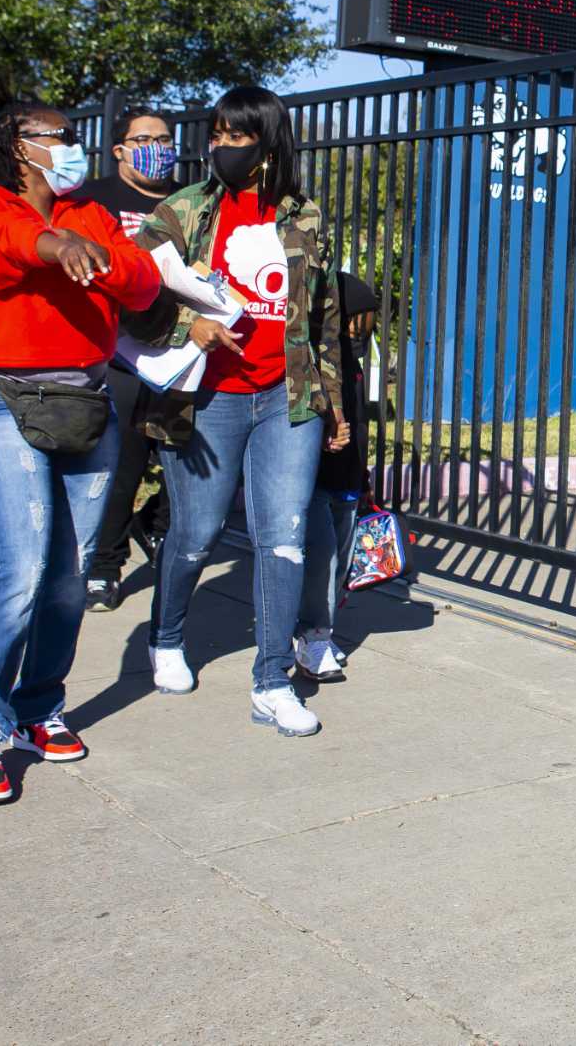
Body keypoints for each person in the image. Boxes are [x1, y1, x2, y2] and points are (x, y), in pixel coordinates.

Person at [0, 103, 158, 805]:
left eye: (72, 135)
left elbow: (141, 277)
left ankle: (36, 707)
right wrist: (55, 246)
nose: (72, 145)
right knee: (22, 569)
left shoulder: (89, 210)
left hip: (84, 400)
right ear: (17, 145)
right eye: (57, 136)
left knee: (68, 577)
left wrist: (92, 250)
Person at [124, 85, 346, 737]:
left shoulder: (304, 216)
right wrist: (184, 320)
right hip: (208, 398)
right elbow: (134, 298)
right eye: (215, 134)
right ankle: (166, 635)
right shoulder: (183, 210)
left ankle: (271, 681)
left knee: (283, 537)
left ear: (268, 141)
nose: (219, 146)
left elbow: (322, 316)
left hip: (286, 398)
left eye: (234, 135)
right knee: (197, 534)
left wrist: (331, 401)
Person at [80, 105, 181, 611]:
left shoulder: (188, 198)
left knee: (188, 458)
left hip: (179, 349)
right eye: (144, 139)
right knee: (121, 464)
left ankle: (158, 526)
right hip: (116, 352)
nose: (158, 148)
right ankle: (103, 564)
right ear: (119, 148)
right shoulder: (93, 198)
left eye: (165, 139)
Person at [293, 271, 378, 682]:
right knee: (322, 559)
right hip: (315, 477)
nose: (363, 329)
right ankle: (314, 637)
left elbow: (359, 427)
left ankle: (318, 631)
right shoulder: (322, 362)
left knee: (339, 563)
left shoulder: (356, 365)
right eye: (358, 319)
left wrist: (362, 479)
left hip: (346, 480)